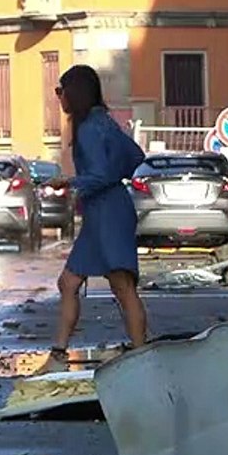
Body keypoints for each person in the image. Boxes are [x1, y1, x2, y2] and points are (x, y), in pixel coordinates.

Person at [42, 65, 147, 371]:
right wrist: (112, 173)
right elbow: (135, 156)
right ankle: (58, 356)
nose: (59, 98)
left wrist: (69, 182)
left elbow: (100, 174)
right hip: (104, 210)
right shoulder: (103, 121)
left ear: (74, 93)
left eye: (61, 91)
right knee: (68, 282)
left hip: (107, 212)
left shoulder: (88, 127)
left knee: (122, 286)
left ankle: (142, 356)